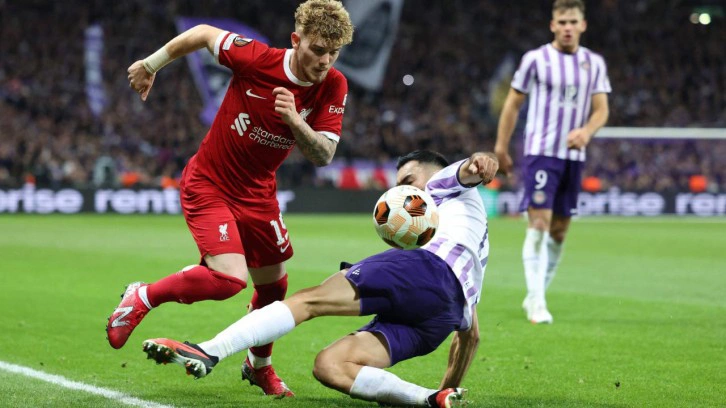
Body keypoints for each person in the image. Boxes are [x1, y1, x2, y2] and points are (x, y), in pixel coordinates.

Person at [105, 0, 354, 397]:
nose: (325, 61)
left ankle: (258, 366)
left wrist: (295, 120)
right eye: (318, 50)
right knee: (229, 280)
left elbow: (324, 154)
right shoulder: (256, 59)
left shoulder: (334, 85)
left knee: (274, 287)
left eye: (334, 52)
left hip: (259, 194)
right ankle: (144, 296)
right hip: (210, 184)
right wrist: (151, 65)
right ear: (296, 40)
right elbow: (203, 33)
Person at [139, 150, 498, 408]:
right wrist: (450, 387)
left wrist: (481, 161)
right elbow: (471, 336)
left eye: (408, 181)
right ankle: (428, 399)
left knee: (309, 300)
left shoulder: (442, 183)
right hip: (442, 316)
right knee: (330, 366)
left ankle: (210, 351)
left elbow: (470, 168)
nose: (402, 191)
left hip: (426, 271)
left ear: (434, 173)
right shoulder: (472, 244)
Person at [494, 0, 610, 324]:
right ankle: (537, 303)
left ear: (583, 25)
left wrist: (586, 131)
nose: (567, 27)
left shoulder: (594, 63)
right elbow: (512, 104)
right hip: (541, 152)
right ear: (553, 25)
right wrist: (501, 147)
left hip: (574, 156)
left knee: (559, 232)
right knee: (539, 224)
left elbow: (601, 109)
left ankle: (536, 293)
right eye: (562, 22)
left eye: (573, 21)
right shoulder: (535, 59)